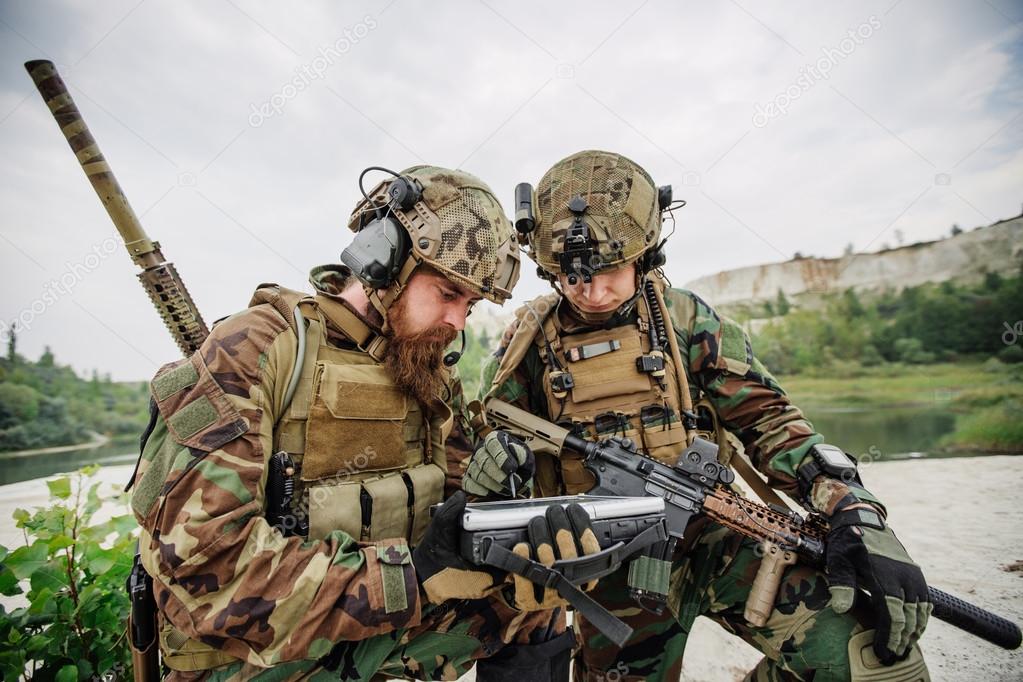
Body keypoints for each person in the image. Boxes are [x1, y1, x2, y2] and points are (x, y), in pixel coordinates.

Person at [468, 150, 932, 681]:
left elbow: (770, 420)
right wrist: (498, 468)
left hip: (717, 537)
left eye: (608, 271)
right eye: (571, 277)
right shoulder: (527, 339)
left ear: (645, 255)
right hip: (608, 573)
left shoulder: (685, 318)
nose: (590, 292)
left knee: (876, 665)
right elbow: (493, 440)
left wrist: (851, 505)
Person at [126, 165, 602, 681]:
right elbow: (207, 572)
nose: (458, 322)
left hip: (379, 617)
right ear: (385, 258)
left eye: (470, 304)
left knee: (533, 607)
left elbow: (458, 505)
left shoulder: (426, 368)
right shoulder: (258, 350)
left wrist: (507, 530)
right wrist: (415, 576)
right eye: (447, 293)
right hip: (257, 651)